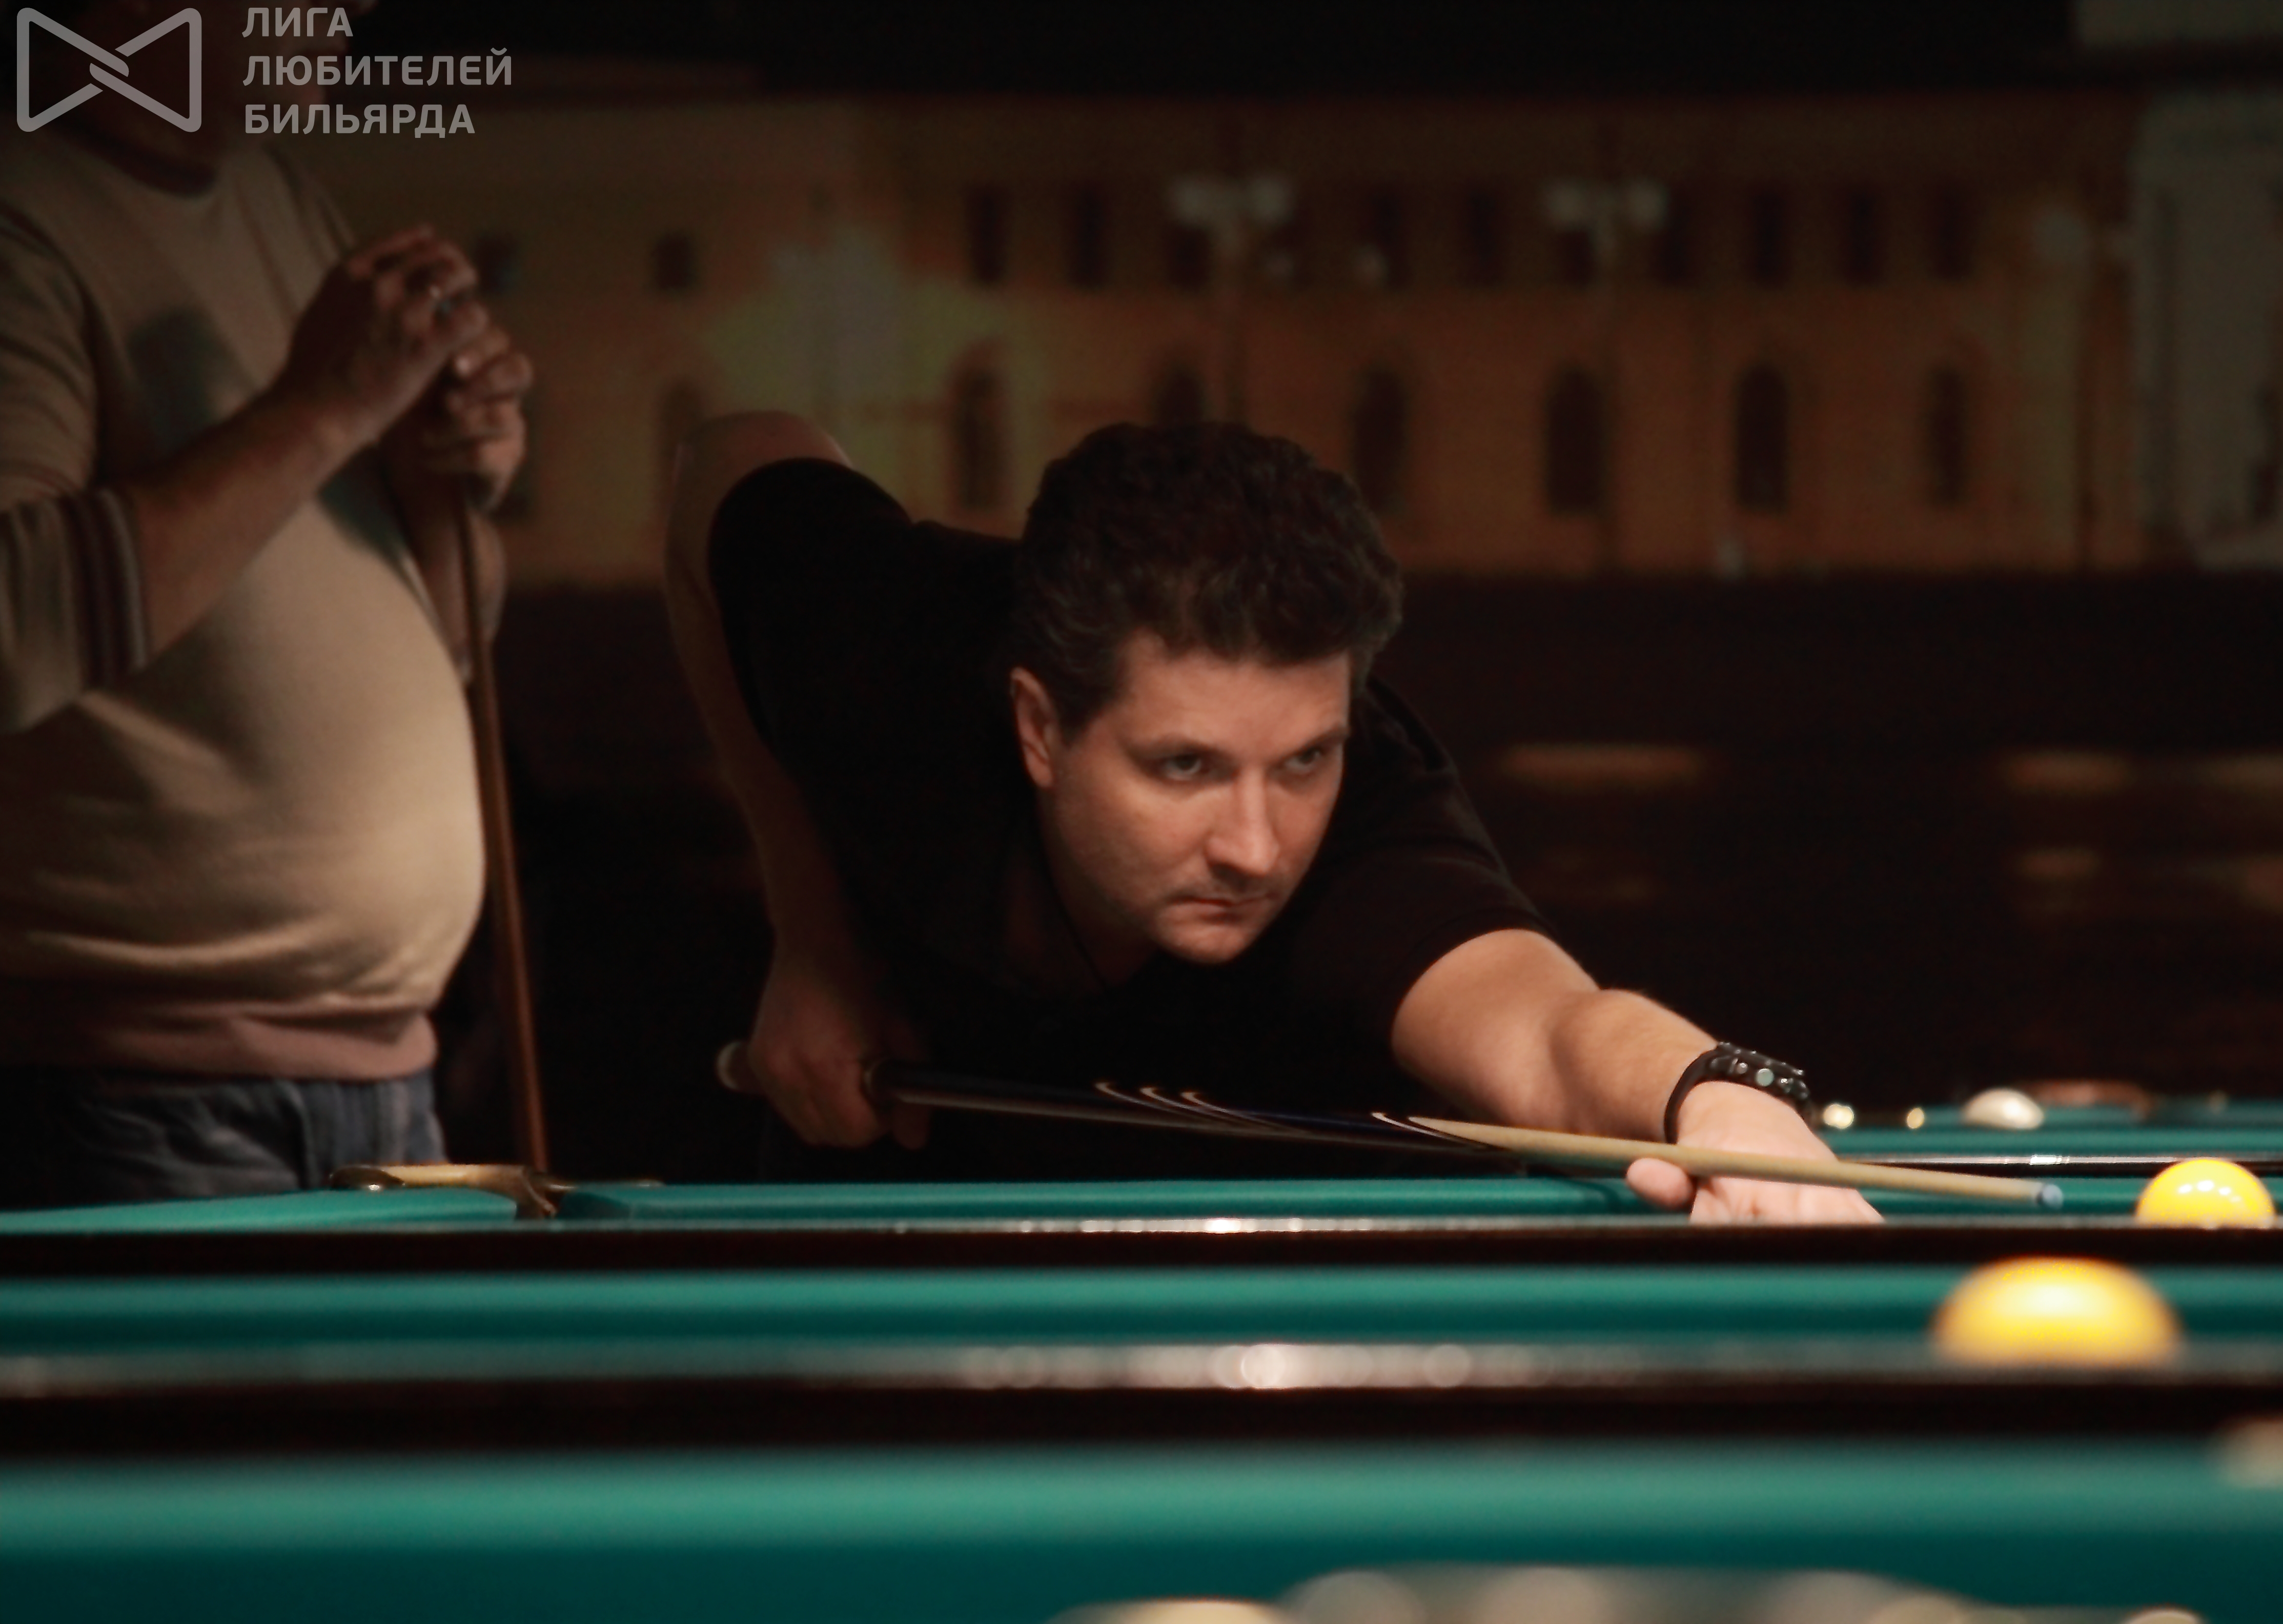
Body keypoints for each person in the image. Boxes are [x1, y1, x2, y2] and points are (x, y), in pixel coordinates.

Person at [667, 412, 1874, 1223]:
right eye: (1184, 765)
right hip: (879, 1228)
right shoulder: (891, 657)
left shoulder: (1370, 832)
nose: (1257, 849)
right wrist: (810, 932)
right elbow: (727, 462)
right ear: (1040, 728)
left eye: (1304, 758)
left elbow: (1551, 1033)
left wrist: (1717, 1096)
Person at [0, 0, 533, 1204]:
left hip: (381, 1075)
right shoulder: (24, 204)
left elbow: (444, 634)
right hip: (136, 1099)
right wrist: (330, 405)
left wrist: (433, 479)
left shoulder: (279, 193)